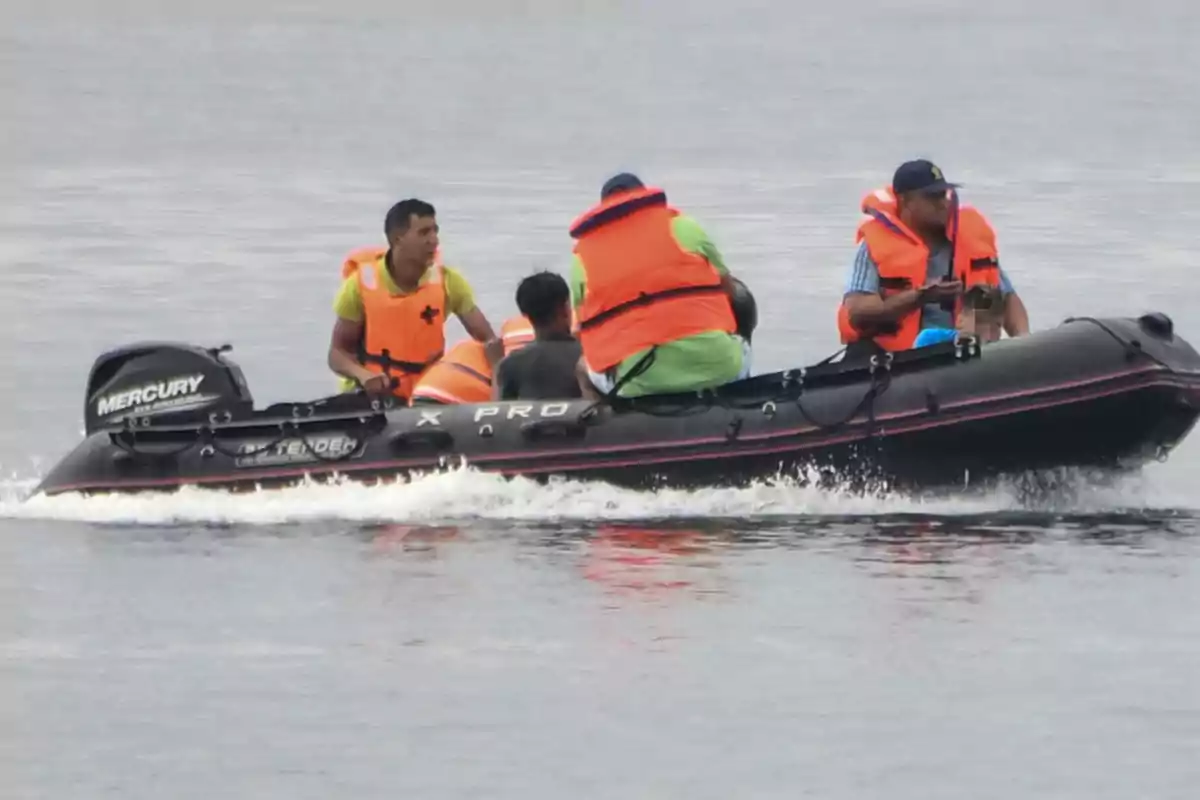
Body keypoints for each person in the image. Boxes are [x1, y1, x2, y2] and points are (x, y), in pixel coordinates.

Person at [567, 172, 752, 399]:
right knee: (741, 344)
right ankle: (741, 411)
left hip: (639, 383)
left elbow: (581, 332)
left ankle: (607, 428)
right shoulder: (684, 227)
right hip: (719, 369)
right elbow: (730, 292)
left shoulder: (582, 258)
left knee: (582, 367)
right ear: (645, 199)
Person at [837, 159, 1030, 358]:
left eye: (944, 195)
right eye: (932, 197)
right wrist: (921, 296)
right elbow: (858, 312)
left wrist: (1025, 343)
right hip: (898, 362)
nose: (943, 203)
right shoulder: (873, 246)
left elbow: (1008, 298)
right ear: (905, 201)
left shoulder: (969, 241)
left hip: (963, 352)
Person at [327, 198, 502, 400]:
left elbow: (489, 341)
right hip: (370, 396)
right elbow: (337, 354)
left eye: (435, 231)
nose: (434, 240)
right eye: (424, 232)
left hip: (425, 396)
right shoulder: (360, 285)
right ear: (397, 239)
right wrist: (364, 376)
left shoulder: (448, 282)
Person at [493, 271, 584, 401]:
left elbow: (499, 413)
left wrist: (495, 364)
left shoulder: (511, 364)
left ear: (524, 314)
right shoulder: (588, 357)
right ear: (565, 309)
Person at [410, 314, 538, 405]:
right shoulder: (523, 362)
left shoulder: (513, 330)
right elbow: (501, 411)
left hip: (421, 396)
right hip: (449, 405)